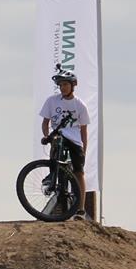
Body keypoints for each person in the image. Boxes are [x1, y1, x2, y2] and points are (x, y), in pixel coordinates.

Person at [39, 65, 90, 209]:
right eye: (60, 85)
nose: (63, 87)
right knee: (57, 141)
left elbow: (84, 130)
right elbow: (45, 122)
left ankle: (80, 208)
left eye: (66, 84)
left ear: (73, 85)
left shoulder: (80, 105)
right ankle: (52, 175)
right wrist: (46, 136)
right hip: (58, 135)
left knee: (79, 172)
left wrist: (83, 150)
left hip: (74, 139)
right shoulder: (51, 101)